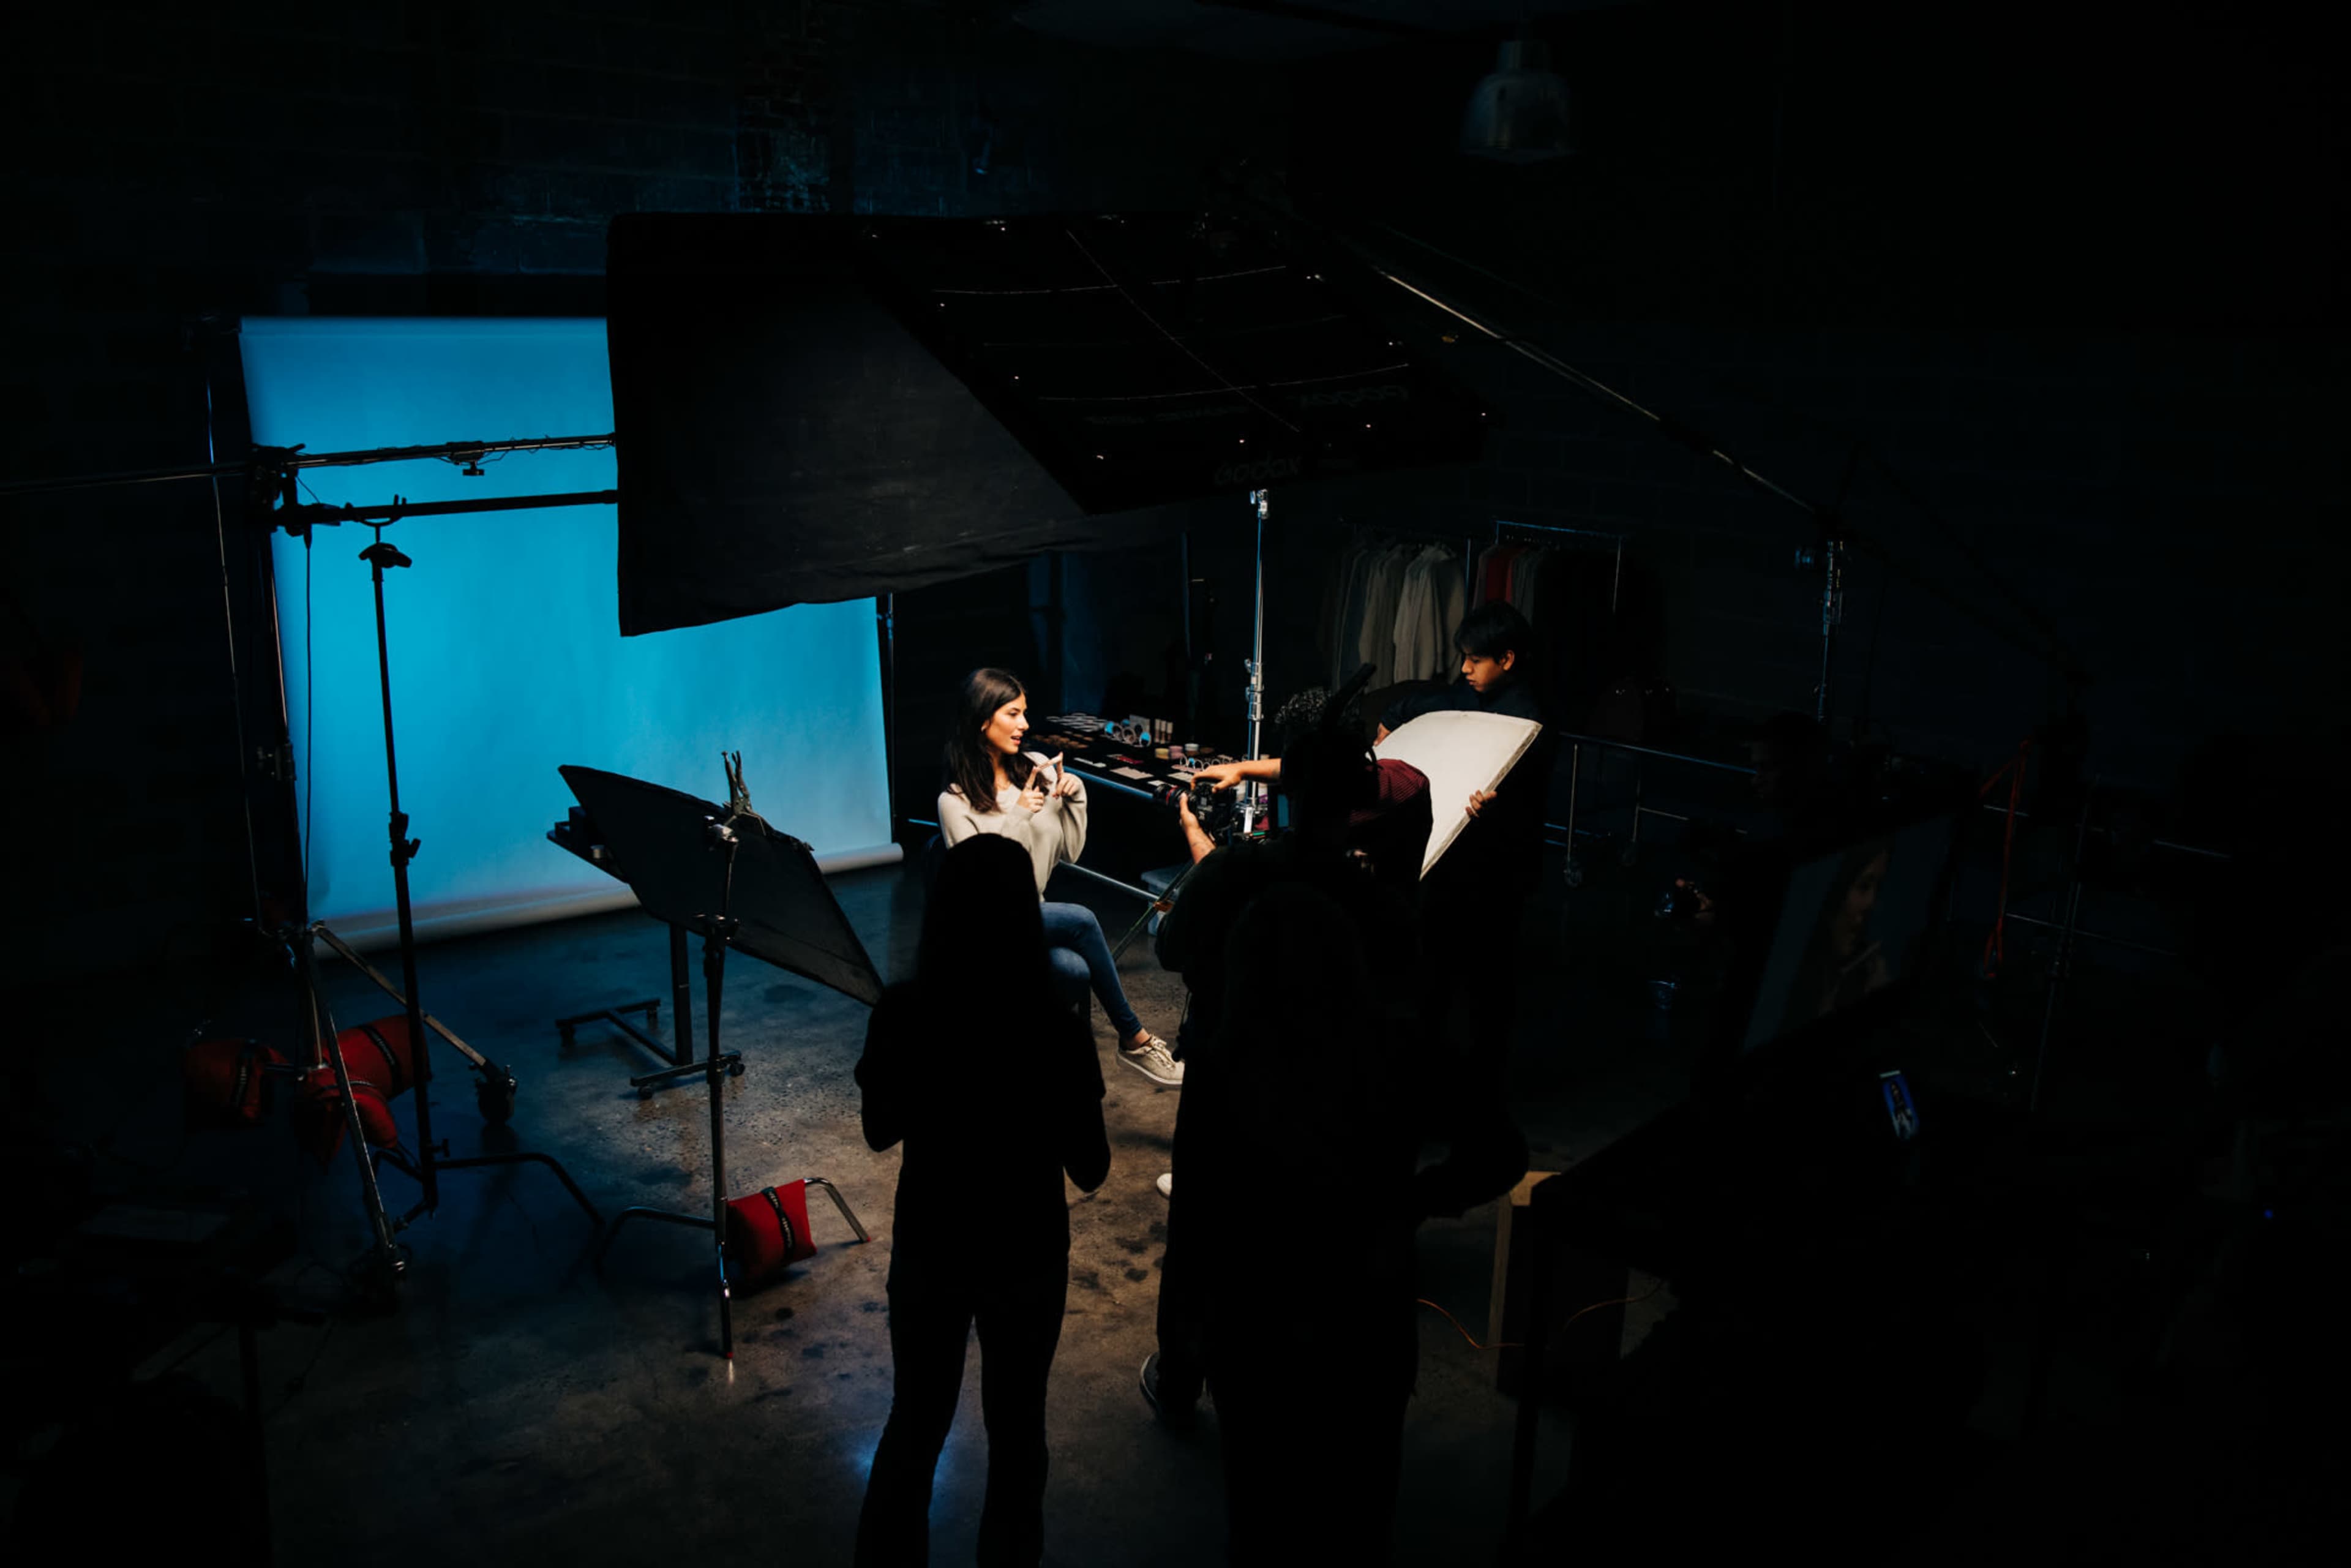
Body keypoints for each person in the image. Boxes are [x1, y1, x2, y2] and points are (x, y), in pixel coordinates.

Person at [1146, 689, 1523, 1561]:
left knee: (1258, 1493)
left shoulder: (1242, 880)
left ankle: (1178, 1376)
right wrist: (1408, 1201)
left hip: (1255, 1258)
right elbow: (1493, 1144)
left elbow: (1173, 952)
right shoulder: (1387, 886)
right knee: (1362, 1499)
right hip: (1366, 1268)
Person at [853, 835, 1111, 1568]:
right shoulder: (1055, 1028)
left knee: (916, 1423)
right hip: (1027, 1252)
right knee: (1018, 1432)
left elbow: (878, 1132)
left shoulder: (904, 1011)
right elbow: (1091, 1168)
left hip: (932, 1244)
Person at [937, 667, 1181, 1087]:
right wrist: (1018, 815)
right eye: (1013, 713)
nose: (1026, 725)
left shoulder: (1034, 766)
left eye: (1025, 713)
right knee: (1083, 919)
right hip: (986, 927)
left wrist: (1077, 799)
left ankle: (1050, 1075)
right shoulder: (954, 801)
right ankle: (1135, 1040)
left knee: (1073, 970)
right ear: (983, 718)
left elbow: (1070, 850)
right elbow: (979, 887)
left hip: (1032, 918)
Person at [1784, 838, 1895, 1029]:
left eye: (1878, 888)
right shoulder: (1785, 984)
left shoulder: (1867, 975)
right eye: (1863, 886)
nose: (1871, 904)